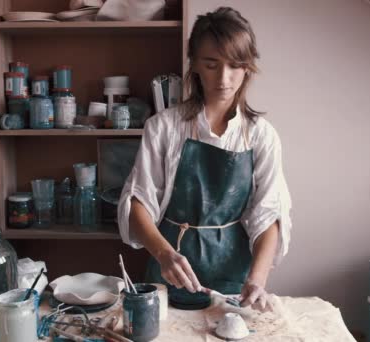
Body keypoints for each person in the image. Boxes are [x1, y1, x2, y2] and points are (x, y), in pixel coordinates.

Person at [117, 6, 292, 311]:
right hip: (169, 269)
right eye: (212, 64)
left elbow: (270, 214)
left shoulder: (261, 135)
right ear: (195, 64)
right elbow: (138, 202)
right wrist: (163, 254)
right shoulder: (164, 127)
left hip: (235, 278)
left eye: (235, 65)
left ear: (248, 67)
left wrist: (257, 280)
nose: (224, 78)